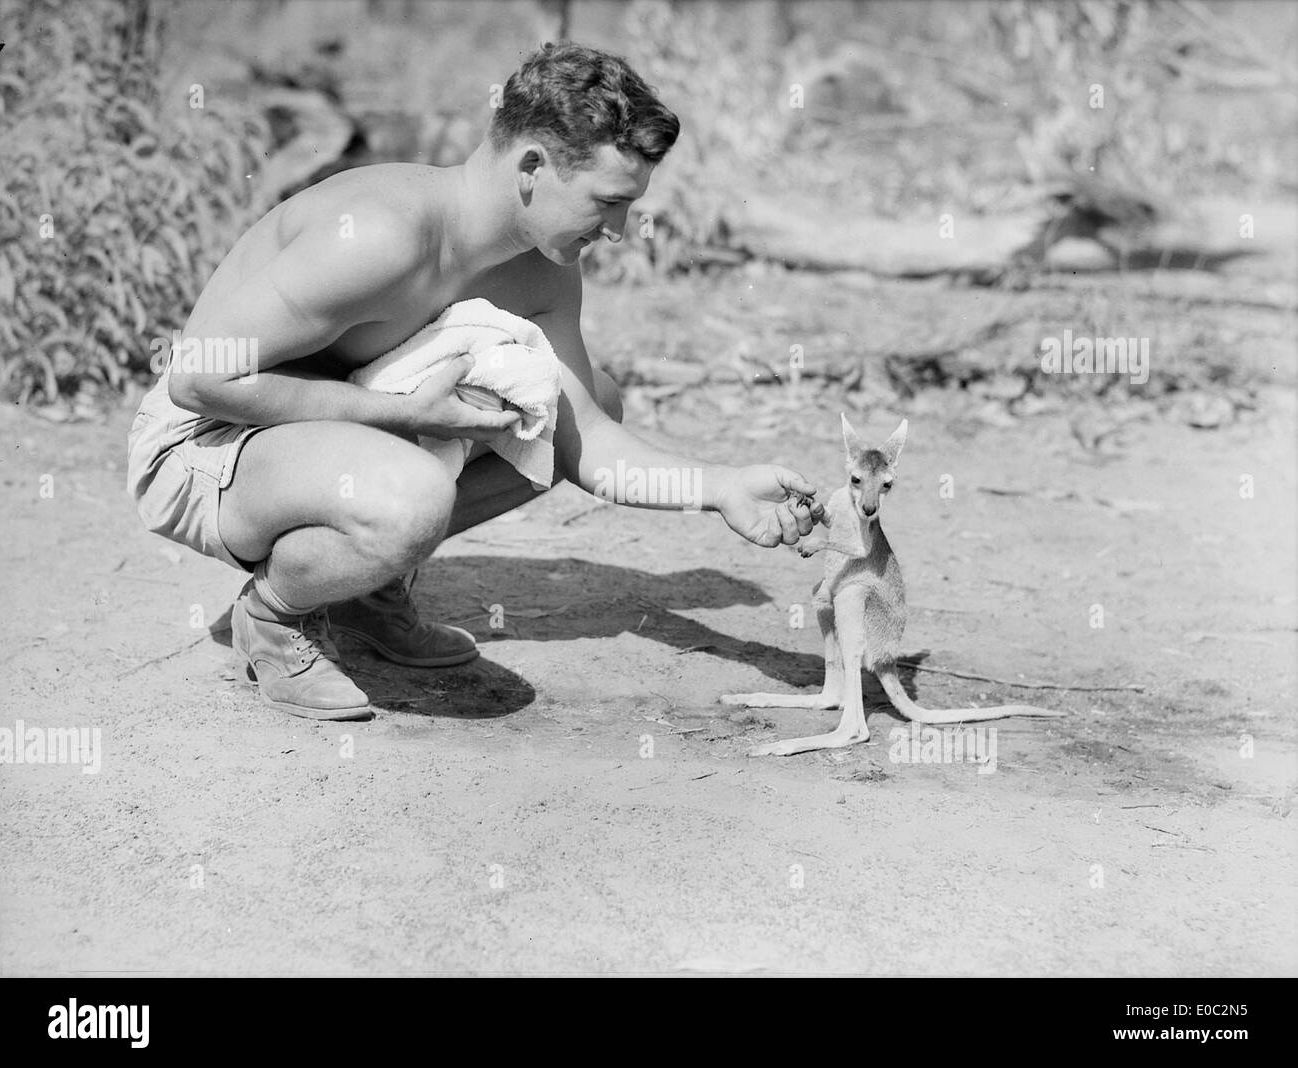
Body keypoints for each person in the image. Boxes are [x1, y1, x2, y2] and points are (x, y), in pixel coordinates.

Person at [126, 41, 822, 721]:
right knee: (414, 496)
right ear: (532, 167)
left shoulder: (546, 270)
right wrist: (394, 412)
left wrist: (720, 486)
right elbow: (197, 379)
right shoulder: (377, 234)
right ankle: (273, 617)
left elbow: (591, 442)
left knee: (581, 402)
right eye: (608, 201)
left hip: (320, 439)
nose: (619, 229)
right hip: (205, 444)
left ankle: (366, 587)